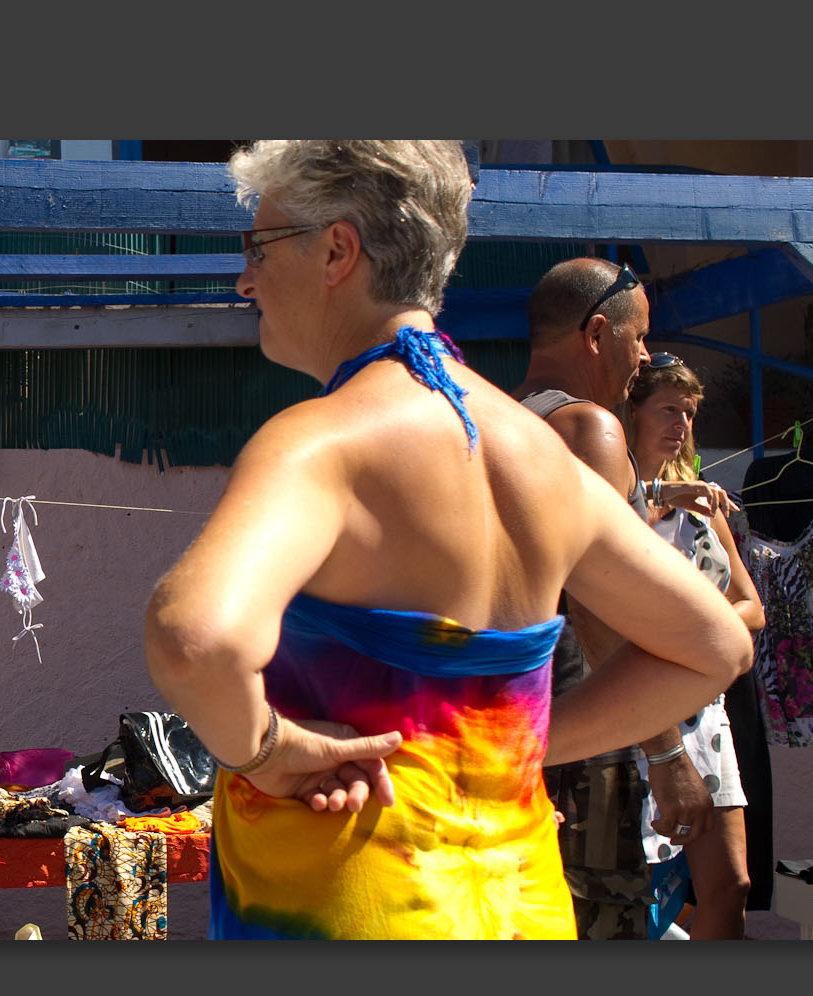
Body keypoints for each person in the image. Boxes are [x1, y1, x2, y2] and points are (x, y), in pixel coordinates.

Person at [142, 140, 753, 939]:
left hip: (353, 904)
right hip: (519, 906)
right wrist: (527, 744)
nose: (244, 277)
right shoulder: (539, 454)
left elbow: (193, 638)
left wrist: (266, 750)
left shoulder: (322, 443)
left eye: (258, 244)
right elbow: (714, 648)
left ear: (337, 250)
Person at [514, 256, 738, 939]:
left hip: (514, 721)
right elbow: (603, 605)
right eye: (638, 337)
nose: (644, 355)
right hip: (588, 738)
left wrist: (658, 494)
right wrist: (667, 756)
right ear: (596, 334)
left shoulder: (504, 421)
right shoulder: (590, 429)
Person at [623, 355, 762, 937]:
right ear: (632, 414)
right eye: (668, 409)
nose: (680, 424)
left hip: (707, 714)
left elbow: (751, 607)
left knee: (731, 887)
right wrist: (661, 495)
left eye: (689, 413)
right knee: (636, 893)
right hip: (634, 715)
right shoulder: (617, 496)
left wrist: (706, 636)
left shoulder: (705, 507)